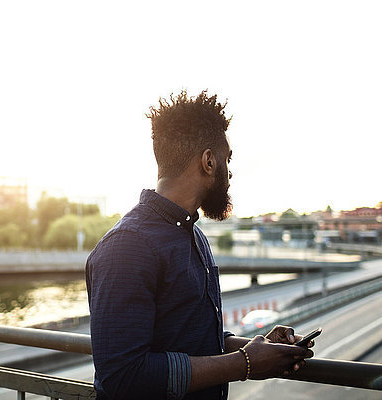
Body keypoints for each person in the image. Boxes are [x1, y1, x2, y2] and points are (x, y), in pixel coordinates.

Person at [85, 90, 314, 400]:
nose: (230, 173)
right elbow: (123, 376)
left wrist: (256, 347)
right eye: (227, 160)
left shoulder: (194, 237)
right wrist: (245, 364)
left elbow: (189, 339)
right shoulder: (127, 247)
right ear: (208, 161)